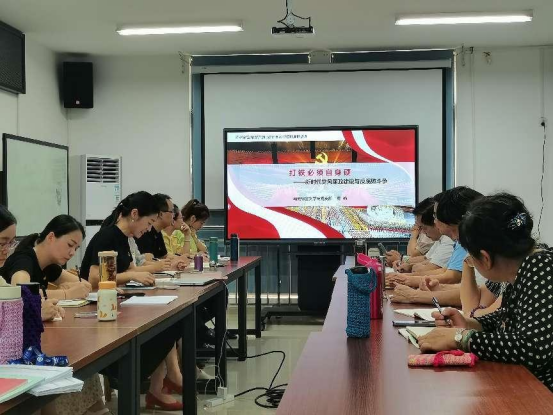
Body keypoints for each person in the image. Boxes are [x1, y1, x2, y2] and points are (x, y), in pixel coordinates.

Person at [418, 193, 553, 392]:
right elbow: (507, 318)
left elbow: (533, 348)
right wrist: (470, 324)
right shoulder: (525, 266)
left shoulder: (541, 268)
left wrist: (462, 338)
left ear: (485, 258)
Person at [80, 192, 184, 410]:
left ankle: (157, 387)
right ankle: (149, 382)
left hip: (119, 301)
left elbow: (130, 269)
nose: (148, 228)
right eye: (149, 222)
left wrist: (145, 274)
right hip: (99, 309)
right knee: (161, 329)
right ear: (135, 214)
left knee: (168, 323)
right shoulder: (108, 236)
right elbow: (94, 278)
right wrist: (133, 275)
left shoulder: (125, 238)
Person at [0, 211, 110, 415]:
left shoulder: (48, 265)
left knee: (75, 356)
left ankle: (96, 410)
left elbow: (83, 285)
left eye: (11, 243)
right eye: (70, 245)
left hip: (27, 342)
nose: (72, 252)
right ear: (51, 237)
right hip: (13, 351)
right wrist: (64, 294)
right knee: (61, 363)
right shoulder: (23, 260)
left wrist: (51, 298)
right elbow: (21, 293)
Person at [387, 186, 482, 288]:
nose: (435, 221)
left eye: (436, 216)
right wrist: (406, 275)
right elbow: (440, 268)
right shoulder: (457, 240)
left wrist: (406, 281)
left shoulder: (457, 241)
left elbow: (452, 277)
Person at [385, 198, 435, 267]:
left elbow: (412, 255)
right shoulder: (435, 238)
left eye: (422, 227)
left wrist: (400, 259)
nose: (416, 226)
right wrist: (401, 260)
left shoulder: (429, 236)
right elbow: (425, 258)